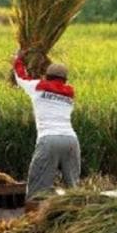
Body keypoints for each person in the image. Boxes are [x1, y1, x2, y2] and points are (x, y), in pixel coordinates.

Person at [13, 50, 80, 209]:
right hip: (71, 140)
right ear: (65, 80)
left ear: (46, 76)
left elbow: (20, 76)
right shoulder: (70, 92)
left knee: (37, 189)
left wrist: (18, 59)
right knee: (74, 189)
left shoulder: (37, 86)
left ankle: (32, 221)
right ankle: (79, 220)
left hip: (49, 139)